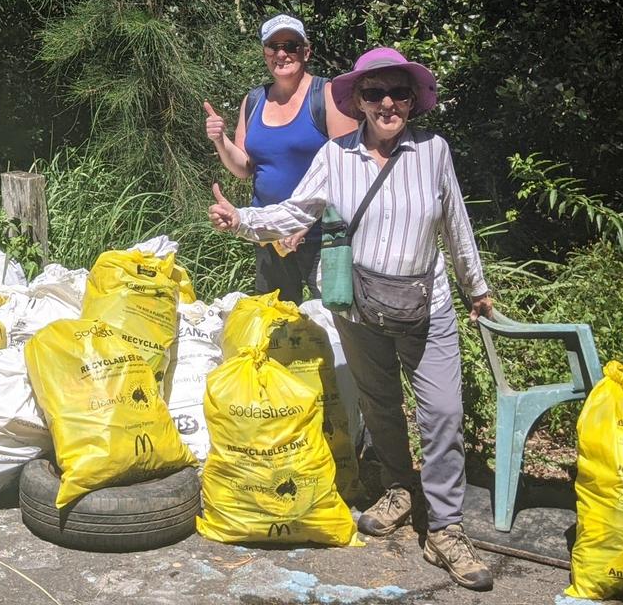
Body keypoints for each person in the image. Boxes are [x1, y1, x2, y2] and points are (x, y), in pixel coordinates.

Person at [208, 47, 495, 591]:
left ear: (413, 101)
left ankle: (447, 527)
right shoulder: (337, 155)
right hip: (361, 307)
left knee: (441, 413)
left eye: (398, 93)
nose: (387, 102)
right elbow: (296, 211)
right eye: (374, 93)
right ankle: (396, 489)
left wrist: (475, 288)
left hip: (427, 306)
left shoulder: (433, 151)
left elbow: (456, 222)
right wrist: (241, 218)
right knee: (380, 403)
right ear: (358, 102)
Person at [203, 14, 357, 304]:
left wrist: (304, 225)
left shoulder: (326, 95)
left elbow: (349, 171)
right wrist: (220, 140)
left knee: (336, 323)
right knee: (278, 326)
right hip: (269, 234)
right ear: (265, 54)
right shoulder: (254, 100)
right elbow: (244, 167)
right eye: (273, 47)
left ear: (306, 51)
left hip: (324, 237)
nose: (282, 53)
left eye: (291, 45)